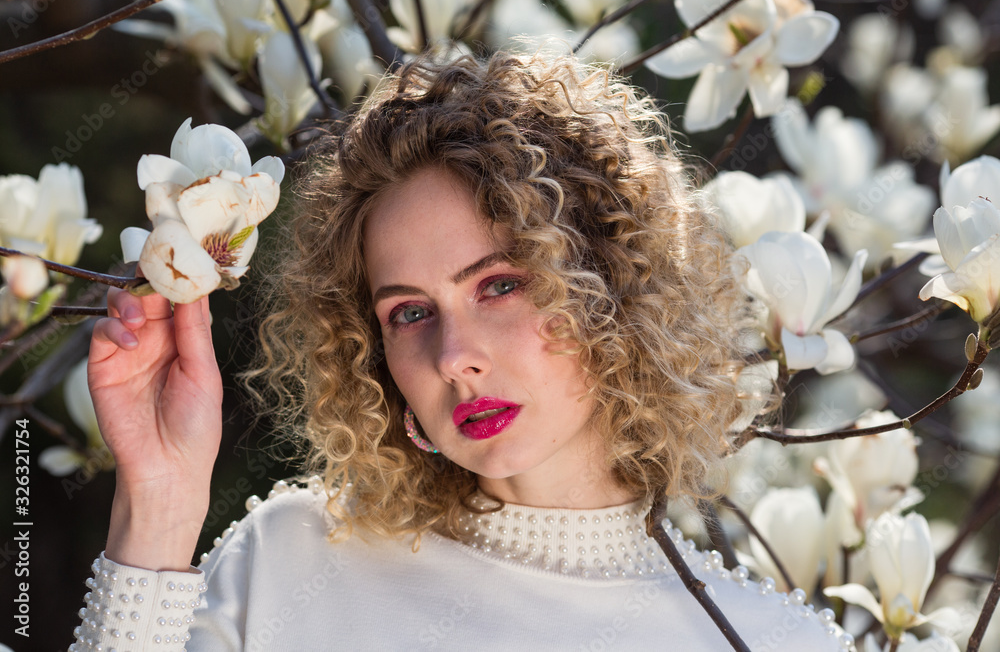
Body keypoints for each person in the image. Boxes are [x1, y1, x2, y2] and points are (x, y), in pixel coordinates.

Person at [71, 50, 851, 651]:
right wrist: (160, 506)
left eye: (500, 285)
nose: (453, 355)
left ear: (611, 286)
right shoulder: (288, 559)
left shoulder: (768, 640)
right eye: (409, 311)